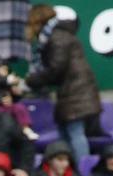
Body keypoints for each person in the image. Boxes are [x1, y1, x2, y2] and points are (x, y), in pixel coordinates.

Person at [20, 5, 101, 166]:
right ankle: (69, 173)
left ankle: (83, 173)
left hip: (76, 93)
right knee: (66, 135)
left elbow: (55, 68)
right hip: (73, 92)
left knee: (75, 133)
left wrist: (29, 81)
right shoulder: (57, 36)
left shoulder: (57, 38)